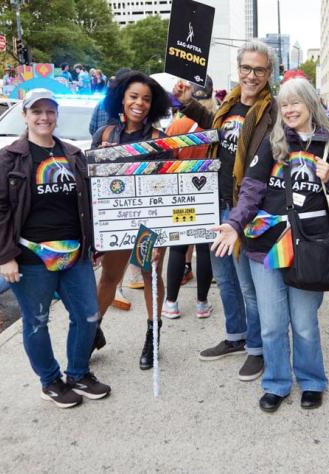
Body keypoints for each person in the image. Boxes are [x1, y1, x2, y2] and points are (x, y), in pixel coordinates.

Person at [211, 77, 329, 412]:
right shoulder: (272, 144)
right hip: (266, 245)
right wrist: (233, 223)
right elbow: (252, 190)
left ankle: (312, 381)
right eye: (283, 105)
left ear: (310, 104)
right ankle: (276, 382)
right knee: (272, 324)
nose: (288, 110)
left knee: (303, 323)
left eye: (295, 103)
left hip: (309, 245)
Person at [0, 89, 111, 408]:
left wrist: (94, 242)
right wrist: (6, 256)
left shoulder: (72, 154)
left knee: (88, 316)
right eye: (36, 111)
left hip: (75, 253)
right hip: (31, 257)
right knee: (37, 321)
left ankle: (78, 373)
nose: (44, 117)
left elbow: (89, 201)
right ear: (25, 116)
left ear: (56, 115)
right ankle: (50, 381)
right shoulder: (8, 158)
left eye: (50, 111)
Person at [172, 40, 278, 381]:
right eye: (246, 68)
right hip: (215, 203)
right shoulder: (228, 105)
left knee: (250, 285)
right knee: (226, 280)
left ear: (268, 73)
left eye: (259, 69)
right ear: (238, 69)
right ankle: (235, 336)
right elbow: (214, 128)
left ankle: (257, 348)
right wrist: (187, 102)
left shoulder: (272, 112)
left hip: (248, 209)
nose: (251, 75)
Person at [91, 71, 172, 370]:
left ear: (154, 105)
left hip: (147, 222)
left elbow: (167, 189)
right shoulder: (105, 136)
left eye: (147, 99)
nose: (140, 103)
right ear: (121, 99)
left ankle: (154, 336)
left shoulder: (159, 140)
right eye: (134, 96)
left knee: (150, 275)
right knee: (109, 278)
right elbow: (92, 182)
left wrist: (162, 235)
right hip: (115, 221)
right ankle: (92, 331)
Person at [162, 76, 216, 320]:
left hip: (180, 191)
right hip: (207, 193)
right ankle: (202, 304)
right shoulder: (216, 124)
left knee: (177, 247)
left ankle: (171, 303)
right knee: (204, 249)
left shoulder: (176, 125)